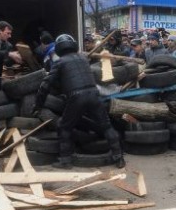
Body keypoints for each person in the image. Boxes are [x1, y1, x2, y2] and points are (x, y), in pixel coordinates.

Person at [33, 34, 125, 169]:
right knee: (106, 126)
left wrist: (38, 105)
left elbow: (45, 85)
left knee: (64, 127)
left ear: (59, 47)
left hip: (76, 97)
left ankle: (65, 160)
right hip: (94, 94)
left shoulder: (60, 62)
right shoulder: (83, 59)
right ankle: (119, 158)